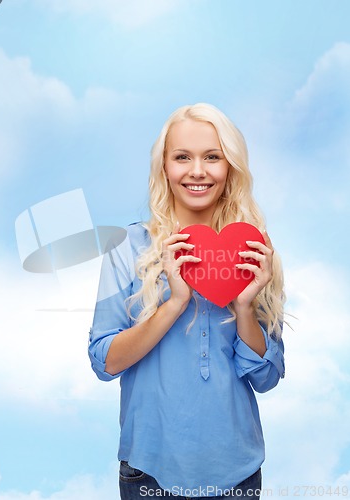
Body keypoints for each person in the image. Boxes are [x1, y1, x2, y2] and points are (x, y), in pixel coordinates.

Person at [88, 103, 285, 499]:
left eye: (212, 157)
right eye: (182, 157)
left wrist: (244, 307)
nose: (197, 171)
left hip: (237, 472)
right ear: (164, 167)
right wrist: (175, 302)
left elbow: (266, 379)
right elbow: (105, 362)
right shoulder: (128, 248)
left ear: (230, 167)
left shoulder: (253, 250)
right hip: (150, 472)